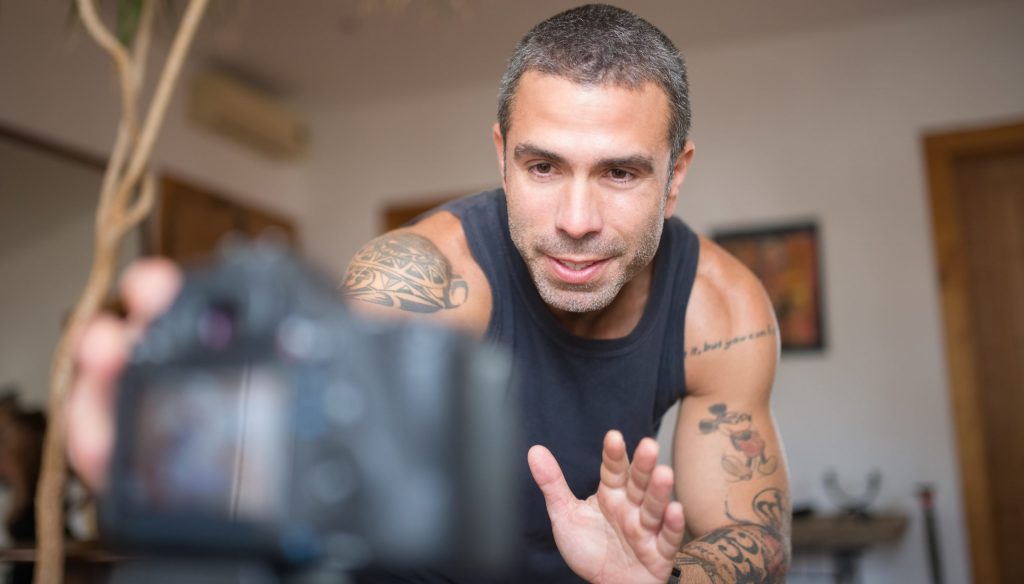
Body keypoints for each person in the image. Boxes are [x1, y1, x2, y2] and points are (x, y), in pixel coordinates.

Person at [69, 4, 790, 583]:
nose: (576, 221)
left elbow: (749, 531)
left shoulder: (719, 309)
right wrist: (173, 472)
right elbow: (294, 482)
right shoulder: (421, 281)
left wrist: (658, 581)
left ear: (677, 175)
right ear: (502, 155)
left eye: (621, 174)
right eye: (543, 167)